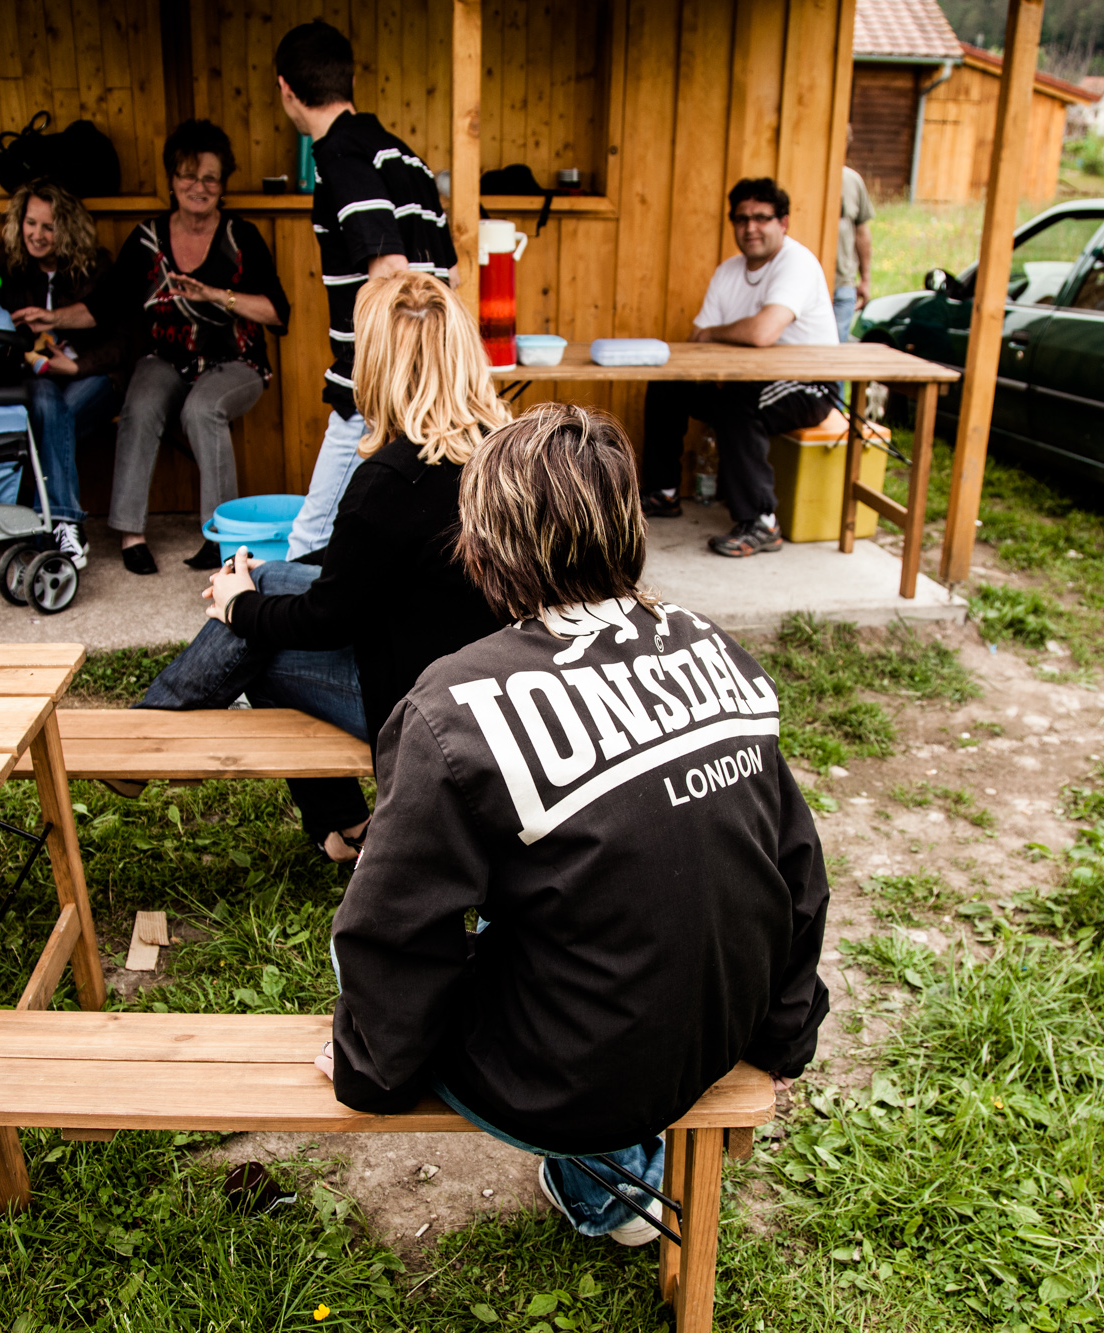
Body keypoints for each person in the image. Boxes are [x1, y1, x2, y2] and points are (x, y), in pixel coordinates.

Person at [315, 402, 829, 1245]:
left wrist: (369, 1066)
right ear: (630, 528)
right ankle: (623, 1162)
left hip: (574, 1079)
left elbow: (394, 928)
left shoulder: (452, 704)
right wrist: (784, 1033)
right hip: (722, 1019)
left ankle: (605, 1186)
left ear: (480, 549)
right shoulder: (717, 647)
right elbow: (798, 870)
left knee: (387, 935)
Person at [133, 271, 507, 861]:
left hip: (422, 709)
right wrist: (264, 585)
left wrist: (240, 604)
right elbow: (367, 564)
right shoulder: (507, 455)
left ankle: (144, 736)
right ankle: (341, 826)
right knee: (268, 590)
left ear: (376, 365)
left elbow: (331, 619)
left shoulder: (387, 480)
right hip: (496, 687)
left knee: (258, 635)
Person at [20, 119, 290, 573]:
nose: (199, 186)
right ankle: (131, 535)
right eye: (189, 175)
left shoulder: (241, 237)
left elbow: (277, 313)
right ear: (172, 180)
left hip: (235, 361)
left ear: (222, 185)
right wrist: (52, 319)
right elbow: (102, 308)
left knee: (201, 409)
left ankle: (221, 536)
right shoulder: (147, 238)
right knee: (140, 403)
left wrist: (214, 296)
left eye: (210, 177)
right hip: (165, 356)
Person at [273, 19, 460, 562]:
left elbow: (392, 271)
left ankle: (285, 635)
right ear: (347, 80)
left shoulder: (338, 155)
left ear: (286, 88)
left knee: (311, 541)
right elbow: (449, 274)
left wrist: (382, 386)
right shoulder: (404, 156)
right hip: (430, 386)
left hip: (376, 388)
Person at [638, 178, 840, 558]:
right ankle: (663, 492)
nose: (750, 228)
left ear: (784, 222)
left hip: (809, 386)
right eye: (741, 219)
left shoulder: (796, 263)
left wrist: (719, 333)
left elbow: (763, 332)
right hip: (742, 382)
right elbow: (699, 336)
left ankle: (761, 522)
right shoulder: (729, 271)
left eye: (762, 218)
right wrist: (721, 334)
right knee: (668, 383)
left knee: (739, 403)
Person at [0, 182, 120, 568]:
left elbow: (122, 339)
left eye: (48, 227)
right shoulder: (7, 268)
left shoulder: (96, 267)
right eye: (30, 223)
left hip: (94, 376)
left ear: (66, 230)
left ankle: (41, 527)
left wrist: (78, 366)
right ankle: (65, 522)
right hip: (35, 379)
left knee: (51, 415)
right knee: (48, 402)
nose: (37, 234)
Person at [832, 160, 874, 341]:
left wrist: (865, 279)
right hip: (801, 286)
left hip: (842, 285)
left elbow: (861, 232)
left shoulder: (852, 180)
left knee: (834, 354)